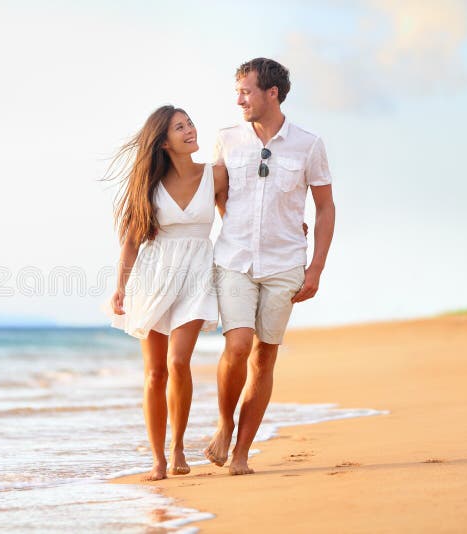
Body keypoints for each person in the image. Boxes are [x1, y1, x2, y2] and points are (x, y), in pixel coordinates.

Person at [203, 58, 336, 475]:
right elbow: (217, 194)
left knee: (264, 357)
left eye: (246, 91)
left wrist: (315, 269)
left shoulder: (309, 144)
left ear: (272, 93)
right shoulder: (227, 139)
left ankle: (241, 453)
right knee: (238, 345)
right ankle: (225, 424)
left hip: (285, 264)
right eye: (238, 91)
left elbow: (325, 207)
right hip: (234, 259)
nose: (239, 99)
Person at [106, 105, 228, 481]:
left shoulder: (216, 175)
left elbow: (239, 222)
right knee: (156, 372)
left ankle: (178, 447)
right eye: (180, 127)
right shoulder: (148, 186)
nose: (190, 130)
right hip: (154, 277)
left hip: (196, 275)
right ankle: (158, 459)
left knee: (178, 362)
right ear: (163, 142)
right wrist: (121, 285)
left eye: (190, 122)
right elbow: (130, 241)